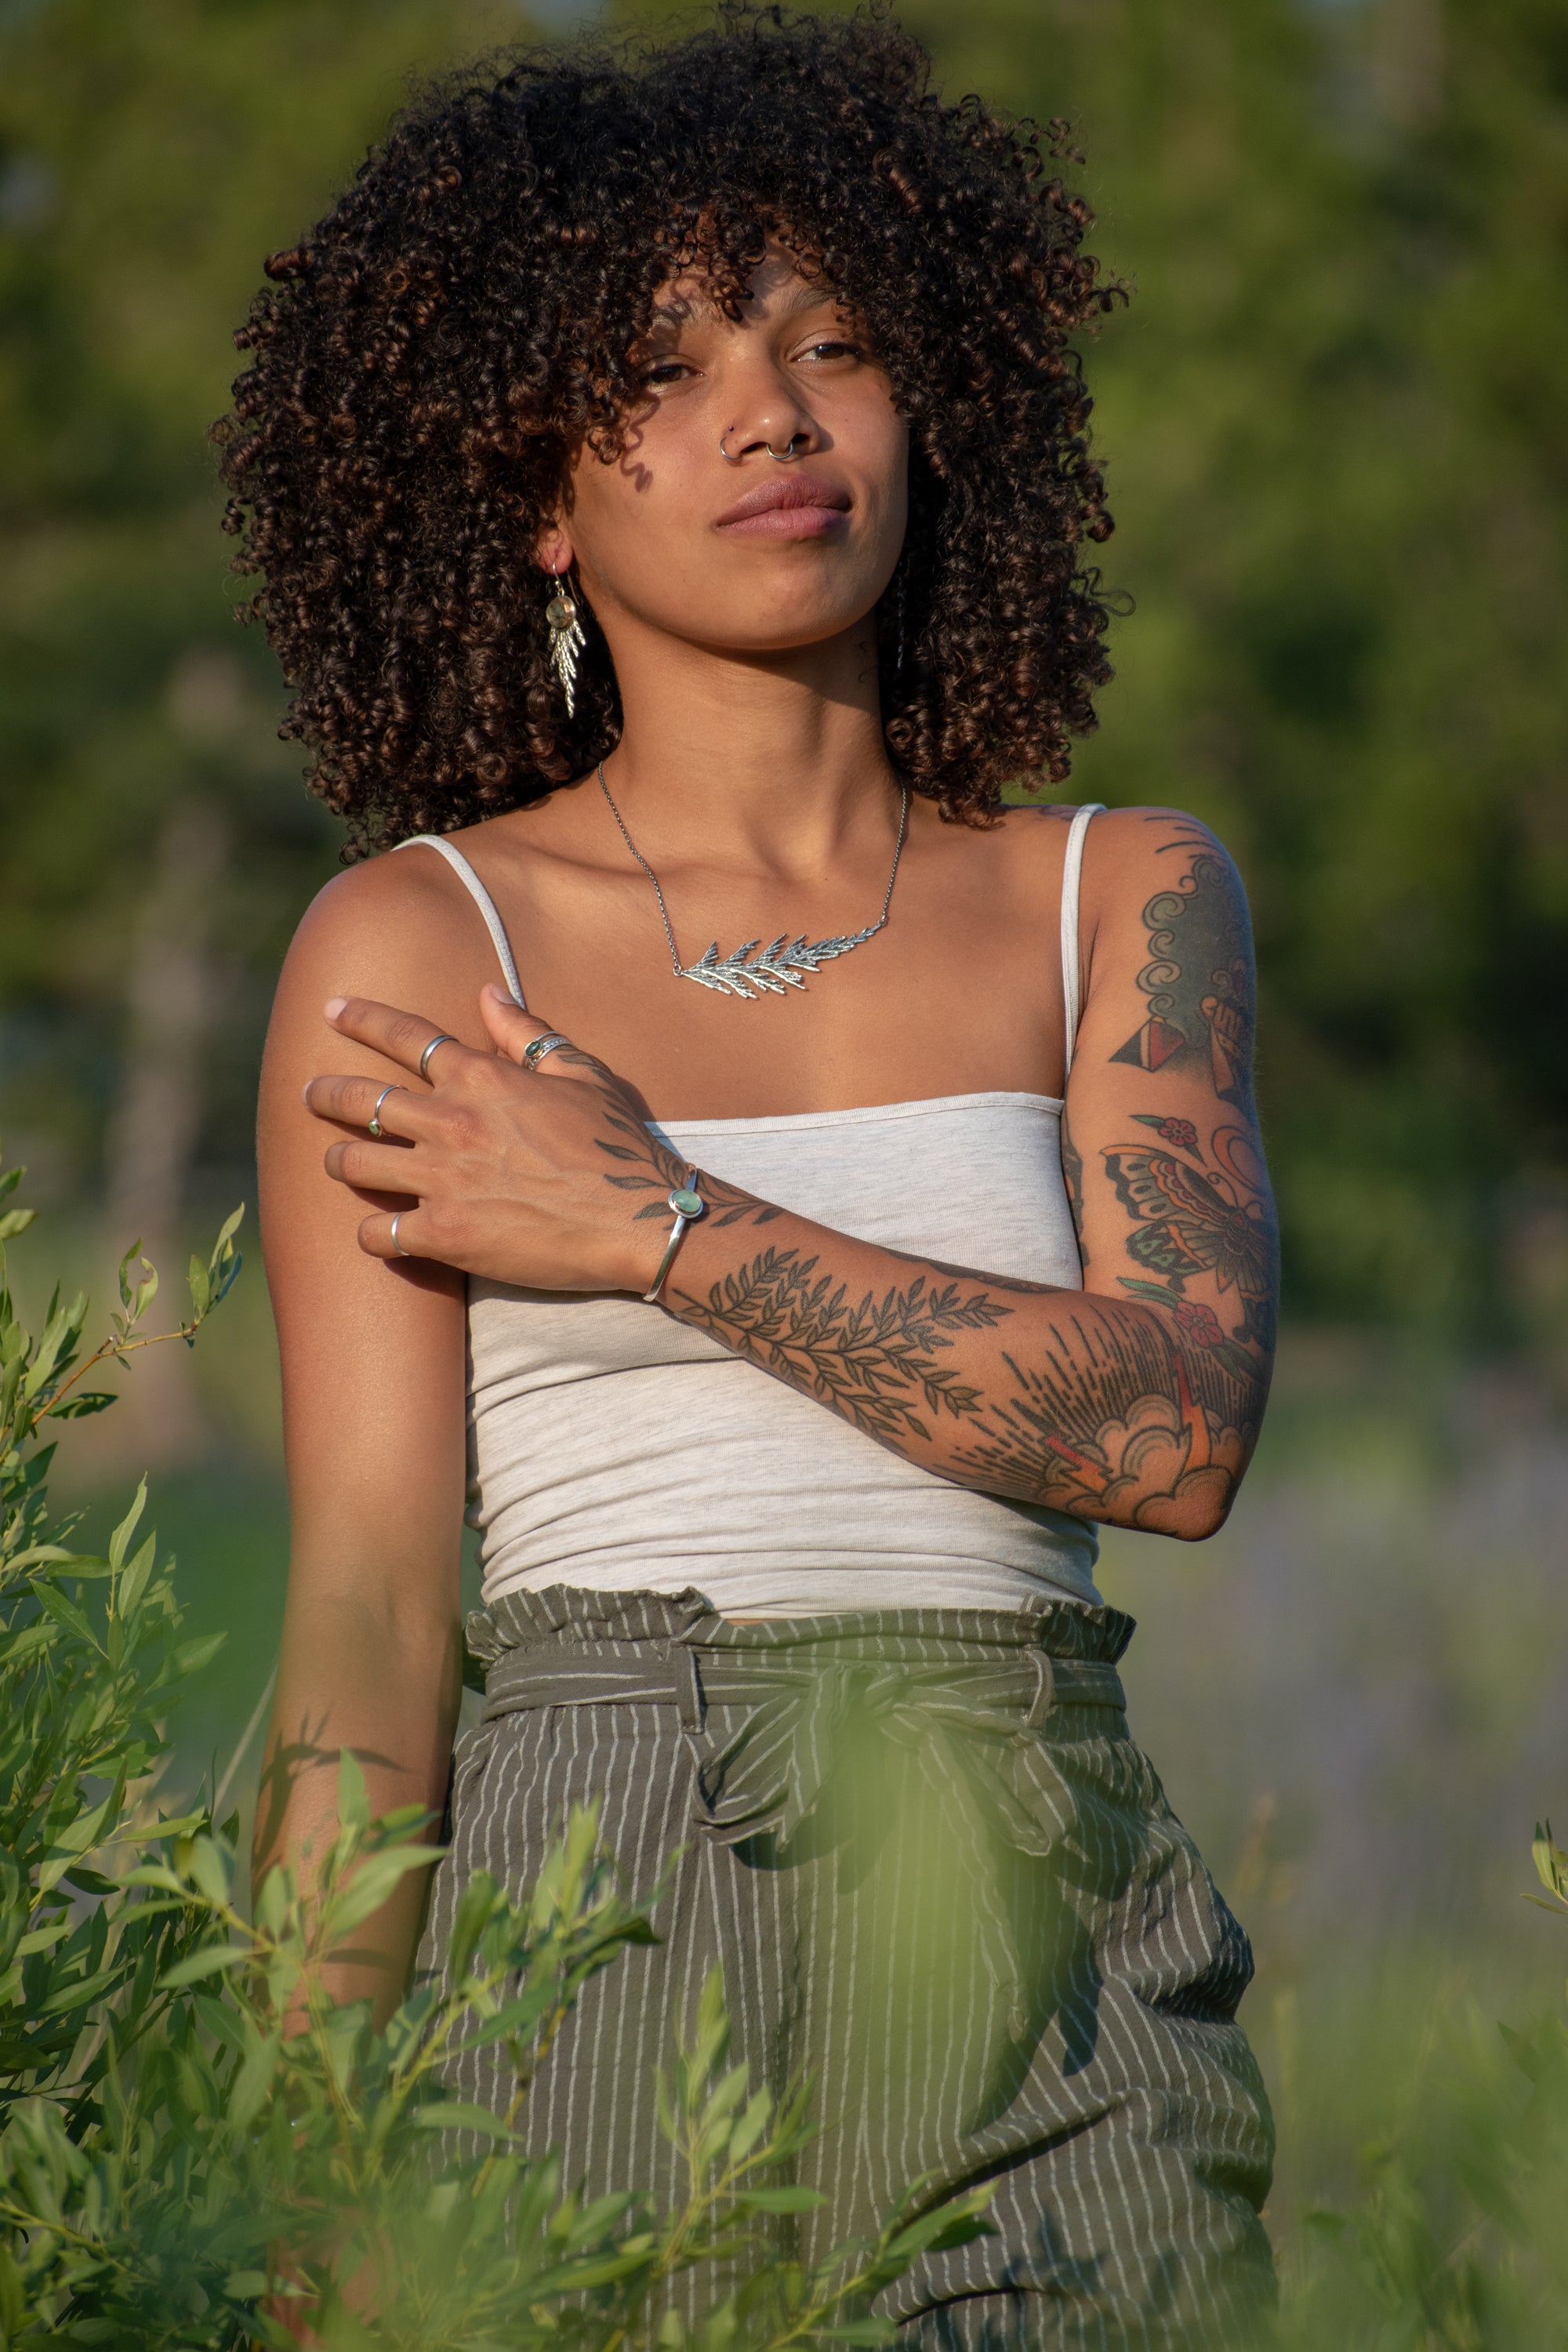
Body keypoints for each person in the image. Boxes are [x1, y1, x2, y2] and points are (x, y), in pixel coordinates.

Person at [224, 10, 1279, 2343]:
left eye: (836, 346)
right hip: (584, 1877)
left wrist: (651, 1225)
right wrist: (294, 2173)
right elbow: (375, 1625)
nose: (776, 414)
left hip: (1040, 1896)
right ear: (529, 488)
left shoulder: (1123, 894)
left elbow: (1175, 1430)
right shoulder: (424, 946)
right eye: (665, 367)